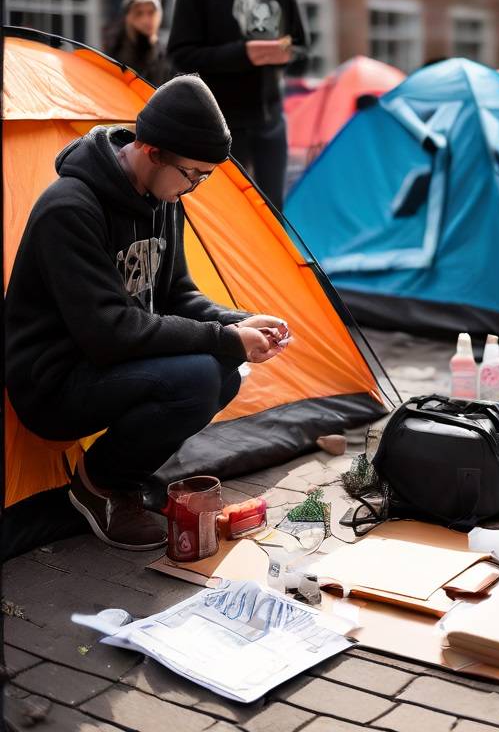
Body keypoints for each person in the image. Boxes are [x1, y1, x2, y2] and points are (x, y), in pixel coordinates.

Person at [4, 75, 292, 550]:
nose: (195, 187)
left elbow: (179, 294)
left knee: (223, 372)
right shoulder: (70, 209)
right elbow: (109, 331)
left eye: (207, 177)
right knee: (200, 376)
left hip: (109, 364)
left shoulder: (163, 198)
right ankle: (97, 486)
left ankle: (124, 475)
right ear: (152, 150)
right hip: (53, 382)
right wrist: (222, 339)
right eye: (192, 174)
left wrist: (237, 322)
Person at [167, 0, 307, 210]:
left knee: (273, 210)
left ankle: (270, 260)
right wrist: (243, 54)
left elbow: (302, 50)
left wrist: (284, 54)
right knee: (224, 211)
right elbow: (179, 56)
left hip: (270, 121)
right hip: (219, 122)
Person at [102, 0, 170, 86]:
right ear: (128, 18)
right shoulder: (114, 54)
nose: (146, 20)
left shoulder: (166, 56)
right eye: (139, 13)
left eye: (151, 12)